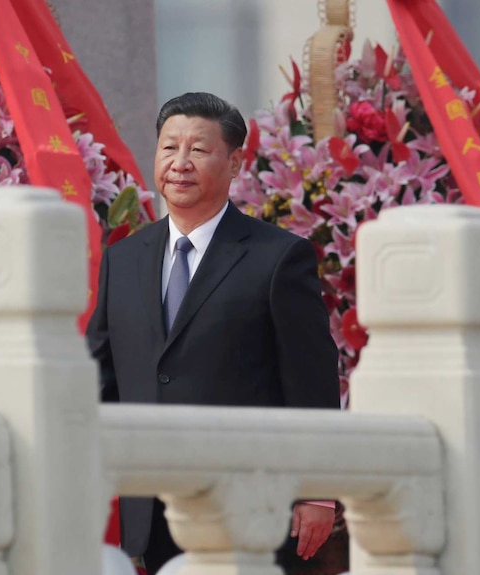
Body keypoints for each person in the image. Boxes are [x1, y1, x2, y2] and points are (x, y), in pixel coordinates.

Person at [86, 92, 341, 575]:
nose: (179, 164)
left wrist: (317, 489)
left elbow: (312, 379)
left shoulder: (278, 258)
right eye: (168, 148)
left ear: (235, 162)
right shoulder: (124, 259)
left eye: (198, 151)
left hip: (250, 501)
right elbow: (99, 378)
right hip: (153, 501)